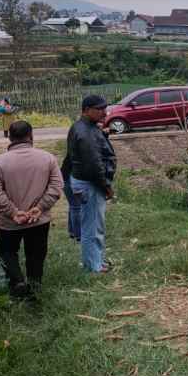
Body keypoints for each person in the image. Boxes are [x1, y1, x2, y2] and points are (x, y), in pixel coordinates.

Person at [0, 120, 63, 299]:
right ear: (31, 136)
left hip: (9, 222)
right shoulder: (47, 158)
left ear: (10, 137)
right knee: (36, 253)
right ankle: (35, 287)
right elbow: (56, 186)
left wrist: (13, 212)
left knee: (6, 251)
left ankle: (17, 282)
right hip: (39, 219)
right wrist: (40, 207)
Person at [65, 95, 116, 273]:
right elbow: (94, 165)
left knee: (93, 224)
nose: (105, 112)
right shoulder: (85, 132)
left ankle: (95, 261)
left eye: (105, 108)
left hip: (84, 182)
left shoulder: (83, 127)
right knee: (92, 227)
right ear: (86, 110)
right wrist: (106, 187)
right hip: (90, 183)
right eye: (99, 109)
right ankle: (93, 266)